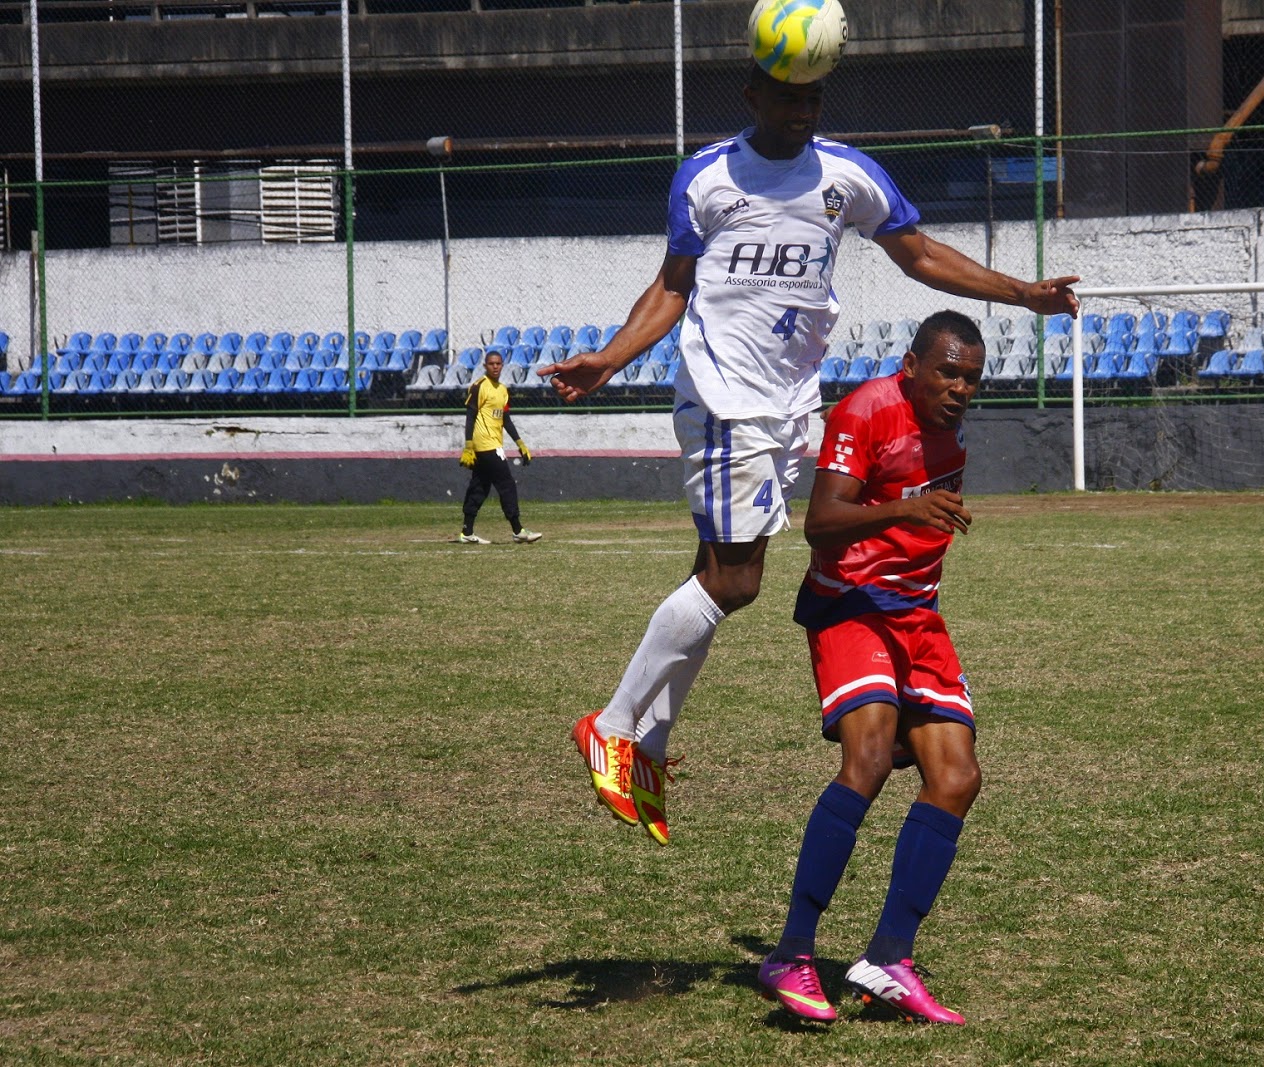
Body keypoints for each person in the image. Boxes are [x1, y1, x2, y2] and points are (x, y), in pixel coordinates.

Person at [543, 65, 1079, 847]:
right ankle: (615, 724)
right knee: (734, 579)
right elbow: (671, 286)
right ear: (752, 97)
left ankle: (646, 749)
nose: (802, 111)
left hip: (794, 405)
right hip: (729, 400)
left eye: (813, 98)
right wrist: (610, 359)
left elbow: (919, 253)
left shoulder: (846, 175)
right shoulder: (706, 179)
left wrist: (1022, 293)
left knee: (717, 573)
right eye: (788, 97)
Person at [756, 310, 984, 1026]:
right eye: (947, 370)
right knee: (872, 756)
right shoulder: (864, 410)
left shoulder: (949, 440)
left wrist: (914, 517)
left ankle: (888, 956)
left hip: (916, 614)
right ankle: (791, 951)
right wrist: (904, 509)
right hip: (849, 602)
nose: (959, 388)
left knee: (956, 775)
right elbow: (821, 520)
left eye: (971, 377)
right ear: (910, 364)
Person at [456, 351, 541, 546]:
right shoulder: (479, 387)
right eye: (491, 364)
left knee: (480, 486)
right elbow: (470, 416)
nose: (495, 367)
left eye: (498, 364)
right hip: (486, 445)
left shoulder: (502, 390)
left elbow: (505, 419)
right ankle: (518, 530)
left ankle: (467, 531)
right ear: (485, 366)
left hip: (494, 444)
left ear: (502, 365)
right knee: (507, 484)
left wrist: (520, 443)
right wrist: (468, 445)